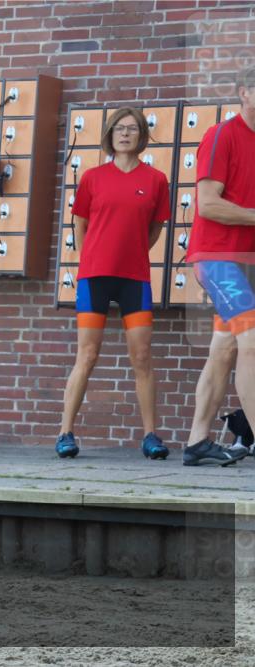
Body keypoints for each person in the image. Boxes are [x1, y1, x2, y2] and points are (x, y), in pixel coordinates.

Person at [57, 107, 171, 459]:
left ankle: (151, 435)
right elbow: (80, 223)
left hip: (134, 279)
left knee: (142, 357)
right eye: (120, 128)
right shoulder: (92, 177)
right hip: (95, 278)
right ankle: (65, 433)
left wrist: (134, 251)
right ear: (110, 134)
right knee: (87, 355)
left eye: (133, 128)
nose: (126, 134)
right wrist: (88, 255)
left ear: (141, 136)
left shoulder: (156, 180)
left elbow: (156, 228)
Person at [182, 65, 255, 466]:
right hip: (218, 258)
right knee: (253, 344)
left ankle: (196, 442)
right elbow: (207, 203)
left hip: (250, 261)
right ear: (244, 92)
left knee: (223, 351)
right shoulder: (221, 134)